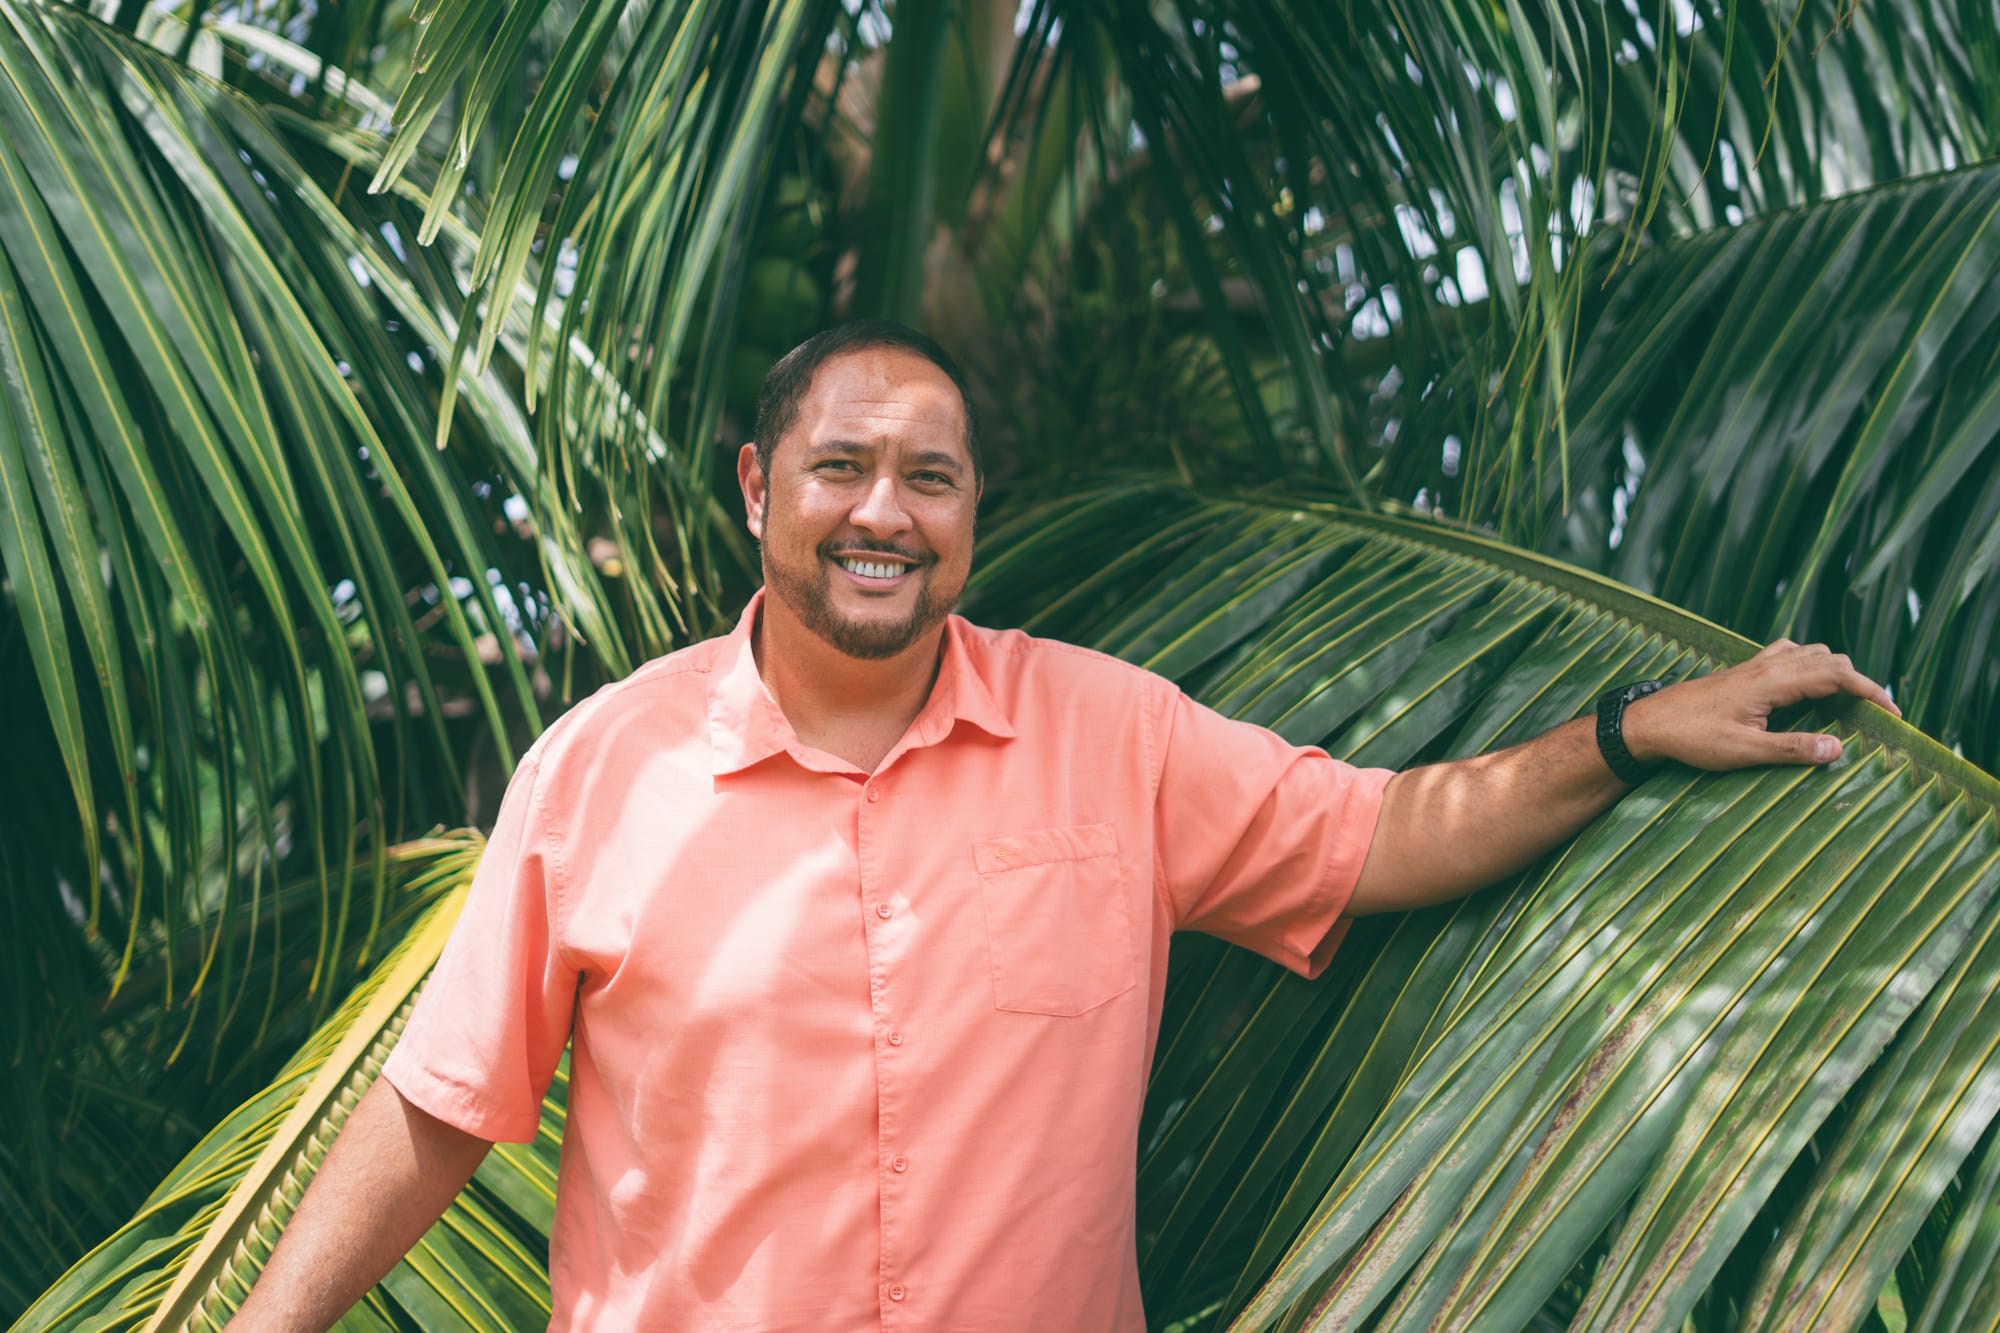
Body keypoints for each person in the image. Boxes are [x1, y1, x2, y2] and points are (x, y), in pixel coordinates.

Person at [232, 320, 1900, 1331]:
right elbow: (448, 1106)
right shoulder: (600, 768)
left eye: (933, 478)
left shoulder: (1111, 732)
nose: (885, 510)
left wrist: (1625, 730)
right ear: (757, 487)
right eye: (841, 467)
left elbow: (1384, 834)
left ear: (973, 512)